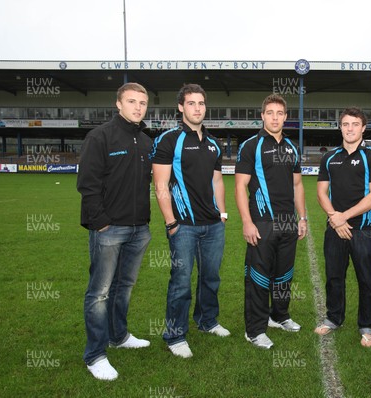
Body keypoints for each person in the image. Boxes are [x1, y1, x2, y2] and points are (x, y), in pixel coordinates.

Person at [77, 82, 152, 381]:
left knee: (124, 287)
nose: (137, 107)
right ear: (118, 104)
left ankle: (118, 336)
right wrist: (101, 221)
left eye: (143, 103)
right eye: (131, 101)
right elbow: (87, 184)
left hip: (139, 229)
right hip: (109, 229)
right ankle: (95, 355)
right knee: (99, 293)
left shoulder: (147, 141)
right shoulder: (100, 136)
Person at [151, 84, 229, 359]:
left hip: (213, 225)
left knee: (211, 278)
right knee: (181, 281)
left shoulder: (213, 143)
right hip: (182, 225)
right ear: (181, 108)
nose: (197, 108)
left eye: (201, 103)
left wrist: (222, 213)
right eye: (191, 103)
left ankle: (207, 321)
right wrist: (171, 222)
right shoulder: (169, 140)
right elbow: (160, 184)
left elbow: (217, 180)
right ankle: (175, 335)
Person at [235, 93, 307, 349]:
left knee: (283, 275)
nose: (275, 118)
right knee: (258, 277)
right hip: (262, 222)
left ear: (286, 117)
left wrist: (303, 217)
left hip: (289, 223)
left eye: (280, 113)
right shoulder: (251, 146)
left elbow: (298, 185)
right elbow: (240, 186)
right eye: (270, 113)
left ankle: (280, 315)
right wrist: (246, 221)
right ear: (262, 115)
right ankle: (254, 330)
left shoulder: (291, 147)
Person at [315, 107, 371, 348]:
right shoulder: (329, 157)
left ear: (363, 128)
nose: (350, 128)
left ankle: (367, 325)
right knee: (334, 277)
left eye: (355, 124)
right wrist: (335, 218)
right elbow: (321, 193)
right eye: (346, 124)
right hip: (334, 228)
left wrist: (343, 217)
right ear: (341, 127)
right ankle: (334, 318)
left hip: (362, 230)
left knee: (365, 278)